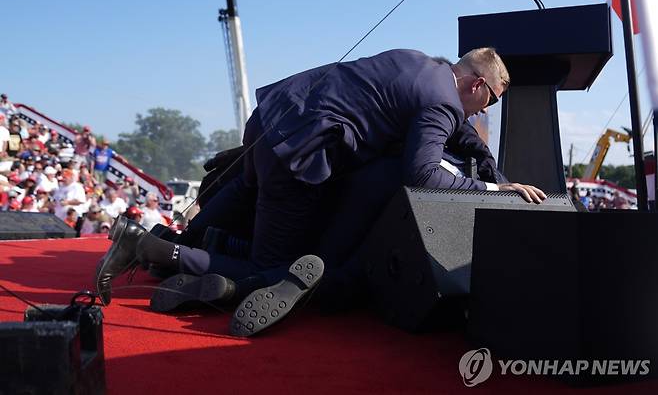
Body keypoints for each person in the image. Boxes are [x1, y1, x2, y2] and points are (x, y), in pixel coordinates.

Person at [95, 48, 546, 336]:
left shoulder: (419, 63)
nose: (480, 113)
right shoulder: (444, 102)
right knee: (270, 265)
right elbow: (423, 174)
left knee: (246, 197)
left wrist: (485, 158)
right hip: (300, 152)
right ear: (476, 85)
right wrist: (495, 187)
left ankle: (195, 241)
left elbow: (452, 128)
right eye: (489, 102)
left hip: (272, 119)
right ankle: (150, 248)